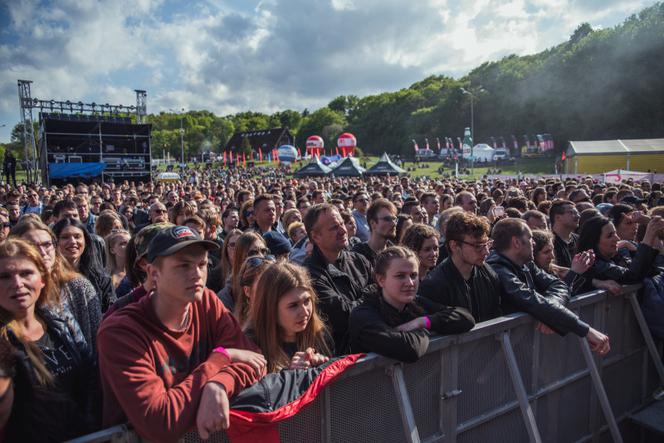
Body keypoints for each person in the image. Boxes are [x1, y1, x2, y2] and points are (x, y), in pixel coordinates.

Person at [97, 225, 266, 441]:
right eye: (183, 266)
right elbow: (160, 422)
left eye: (202, 264)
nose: (196, 274)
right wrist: (221, 359)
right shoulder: (120, 332)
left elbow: (254, 360)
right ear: (153, 273)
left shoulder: (206, 301)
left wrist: (219, 383)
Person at [0, 239, 99, 441]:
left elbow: (91, 376)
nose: (17, 284)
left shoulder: (61, 319)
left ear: (42, 278)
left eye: (26, 273)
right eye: (4, 277)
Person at [486, 218, 611, 354]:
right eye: (529, 238)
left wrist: (549, 311)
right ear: (516, 242)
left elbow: (557, 285)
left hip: (519, 347)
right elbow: (530, 299)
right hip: (498, 351)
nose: (533, 243)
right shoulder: (497, 269)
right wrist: (586, 330)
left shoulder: (527, 264)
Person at [349, 246, 474, 362]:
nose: (410, 282)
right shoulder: (363, 315)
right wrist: (425, 330)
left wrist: (423, 321)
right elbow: (409, 349)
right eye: (400, 276)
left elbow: (466, 318)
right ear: (381, 280)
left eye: (413, 275)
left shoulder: (415, 303)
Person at [9, 220, 102, 352]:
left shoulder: (79, 287)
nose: (42, 251)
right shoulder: (10, 293)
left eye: (47, 244)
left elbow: (97, 339)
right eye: (31, 245)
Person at [304, 203, 373, 353]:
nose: (343, 230)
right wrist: (372, 299)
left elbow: (385, 293)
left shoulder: (359, 260)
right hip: (342, 358)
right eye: (334, 227)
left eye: (342, 223)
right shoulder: (309, 274)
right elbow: (343, 316)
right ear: (315, 236)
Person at [248, 261, 332, 372]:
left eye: (307, 301)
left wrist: (322, 367)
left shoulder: (319, 335)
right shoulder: (251, 346)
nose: (305, 312)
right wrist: (289, 375)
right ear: (270, 309)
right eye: (293, 305)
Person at [419, 212, 502, 322]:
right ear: (454, 246)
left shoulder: (489, 274)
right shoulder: (434, 285)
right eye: (477, 246)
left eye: (487, 244)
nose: (486, 252)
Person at [575, 215, 664, 294]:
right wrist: (648, 237)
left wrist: (634, 249)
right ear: (594, 242)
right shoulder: (593, 264)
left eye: (615, 233)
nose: (617, 238)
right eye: (610, 235)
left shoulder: (617, 256)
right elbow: (632, 277)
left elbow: (652, 271)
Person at [53, 218, 116, 313]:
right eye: (65, 237)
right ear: (55, 242)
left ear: (85, 241)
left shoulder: (101, 278)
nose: (73, 241)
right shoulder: (48, 278)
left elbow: (111, 312)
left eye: (77, 236)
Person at [232, 255, 275, 328]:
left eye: (274, 284)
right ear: (247, 291)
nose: (270, 290)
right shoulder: (239, 332)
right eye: (263, 286)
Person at [352, 198, 397, 266]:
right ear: (373, 223)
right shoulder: (357, 255)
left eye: (394, 219)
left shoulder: (395, 253)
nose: (394, 224)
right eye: (388, 219)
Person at [549, 200, 579, 268]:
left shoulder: (579, 239)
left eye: (577, 213)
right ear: (558, 217)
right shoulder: (549, 242)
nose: (578, 216)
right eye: (571, 212)